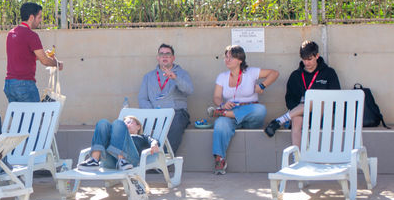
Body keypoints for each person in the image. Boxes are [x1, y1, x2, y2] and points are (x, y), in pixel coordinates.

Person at [210, 45, 279, 175]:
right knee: (220, 123)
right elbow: (217, 97)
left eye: (231, 57)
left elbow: (274, 73)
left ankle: (224, 114)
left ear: (240, 60)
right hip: (230, 112)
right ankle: (220, 159)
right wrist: (223, 105)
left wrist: (262, 85)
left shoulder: (251, 72)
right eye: (226, 57)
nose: (227, 60)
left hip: (250, 113)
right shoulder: (222, 76)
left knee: (260, 109)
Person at [263, 40, 341, 148]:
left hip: (322, 110)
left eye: (309, 59)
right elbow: (289, 98)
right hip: (301, 111)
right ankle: (297, 158)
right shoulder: (296, 75)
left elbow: (335, 96)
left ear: (317, 56)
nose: (306, 63)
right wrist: (298, 109)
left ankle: (281, 120)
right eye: (304, 60)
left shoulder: (329, 73)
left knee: (315, 100)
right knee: (296, 120)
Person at [137, 43, 193, 154]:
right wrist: (152, 113)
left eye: (168, 54)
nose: (165, 56)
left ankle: (163, 160)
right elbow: (142, 99)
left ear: (173, 58)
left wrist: (175, 78)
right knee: (133, 125)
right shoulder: (148, 76)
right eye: (161, 54)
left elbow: (189, 91)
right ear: (158, 58)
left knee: (175, 124)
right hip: (154, 113)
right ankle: (139, 160)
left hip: (176, 113)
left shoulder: (182, 73)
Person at [4, 2, 63, 103]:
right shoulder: (31, 35)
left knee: (19, 118)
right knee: (33, 117)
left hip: (10, 84)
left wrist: (42, 54)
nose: (40, 20)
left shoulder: (11, 33)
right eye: (39, 17)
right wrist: (57, 64)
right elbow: (44, 61)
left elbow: (23, 56)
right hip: (25, 85)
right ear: (31, 17)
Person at [78, 115, 160, 171]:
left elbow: (154, 140)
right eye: (125, 123)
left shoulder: (142, 136)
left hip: (130, 160)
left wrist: (154, 144)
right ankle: (94, 160)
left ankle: (122, 160)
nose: (126, 124)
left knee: (118, 122)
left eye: (129, 122)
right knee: (102, 122)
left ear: (138, 126)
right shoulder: (115, 137)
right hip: (111, 161)